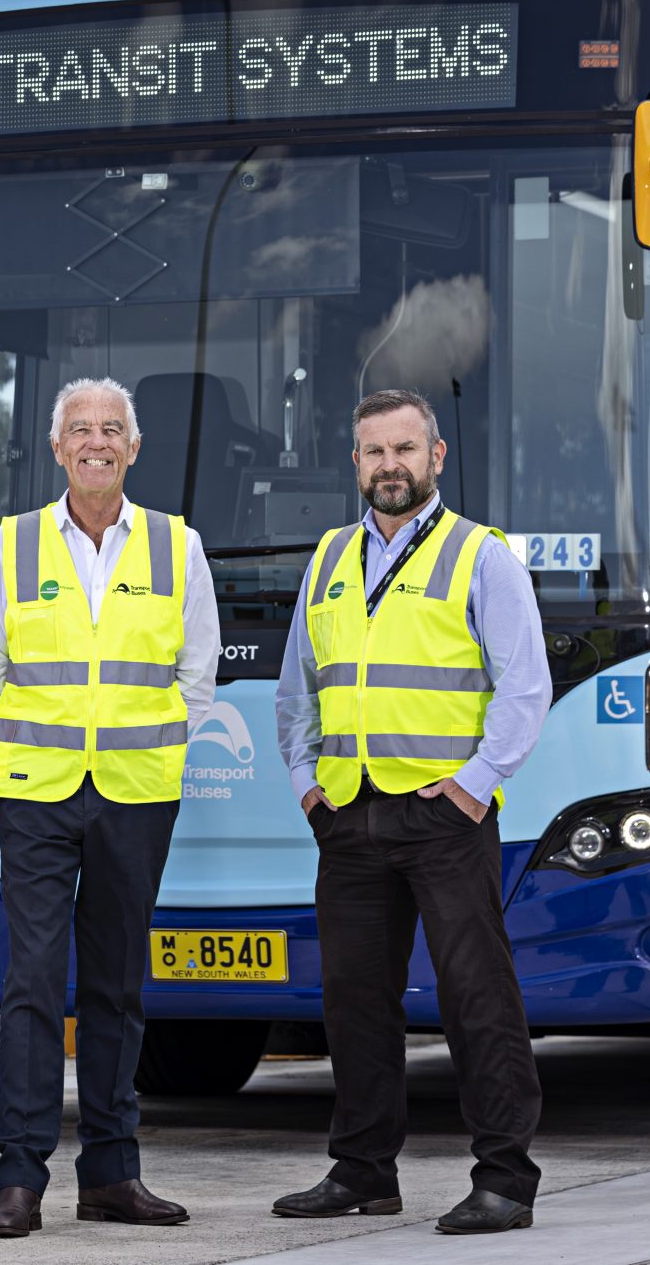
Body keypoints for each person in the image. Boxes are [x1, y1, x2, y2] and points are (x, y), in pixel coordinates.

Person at [272, 387, 551, 1236]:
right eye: (373, 451)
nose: (389, 465)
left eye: (405, 449)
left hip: (444, 818)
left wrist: (472, 785)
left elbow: (526, 686)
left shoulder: (481, 556)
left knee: (477, 996)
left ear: (435, 457)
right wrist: (305, 783)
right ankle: (363, 1170)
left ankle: (505, 1177)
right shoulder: (326, 558)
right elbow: (298, 691)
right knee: (353, 1001)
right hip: (348, 817)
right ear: (354, 463)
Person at [0, 376, 219, 1238]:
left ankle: (112, 1173)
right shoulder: (11, 544)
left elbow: (197, 673)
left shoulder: (177, 547)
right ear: (56, 447)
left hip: (136, 795)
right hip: (37, 793)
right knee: (33, 980)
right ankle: (19, 1177)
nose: (97, 442)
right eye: (81, 429)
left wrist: (143, 744)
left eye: (112, 429)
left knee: (116, 986)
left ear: (134, 448)